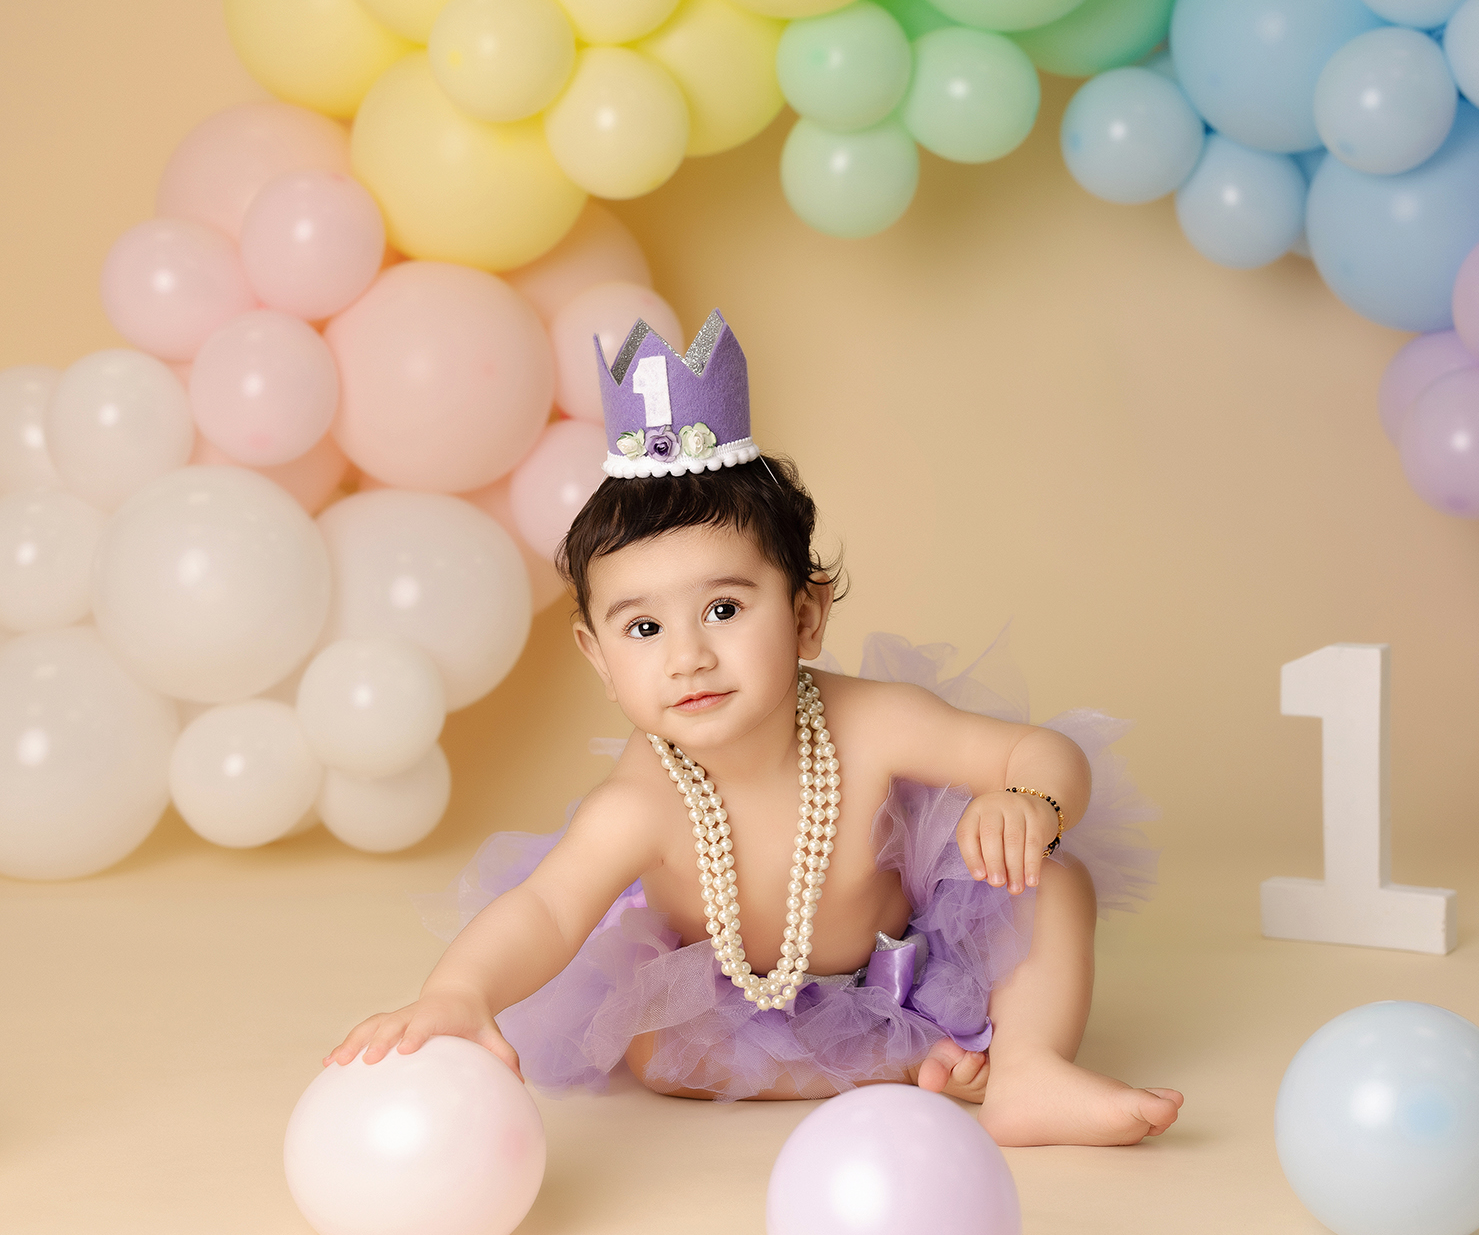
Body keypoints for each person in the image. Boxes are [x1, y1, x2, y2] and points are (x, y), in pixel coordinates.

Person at [325, 311, 1181, 1147]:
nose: (689, 656)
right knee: (660, 1052)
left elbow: (1039, 749)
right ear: (596, 655)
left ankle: (1026, 1070)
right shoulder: (643, 803)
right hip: (745, 998)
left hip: (913, 956)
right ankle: (913, 1063)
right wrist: (459, 991)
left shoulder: (872, 725)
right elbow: (547, 910)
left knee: (1050, 880)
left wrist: (1030, 798)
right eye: (644, 629)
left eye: (725, 608)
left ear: (806, 617)